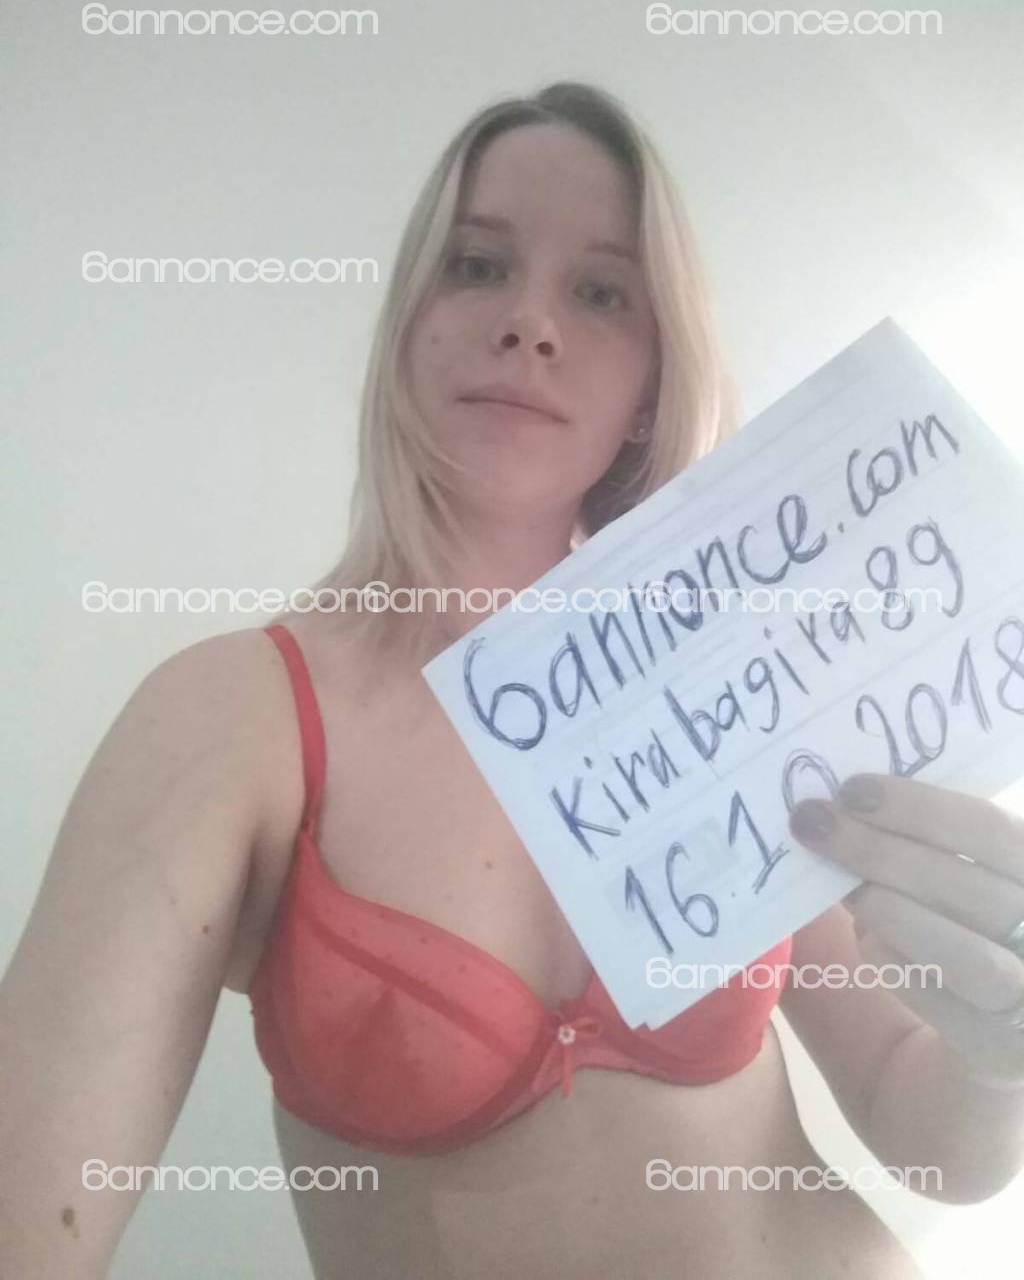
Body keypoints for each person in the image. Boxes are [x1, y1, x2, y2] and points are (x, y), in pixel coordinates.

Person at [3, 81, 1024, 1280]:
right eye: (478, 266)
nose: (531, 323)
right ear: (406, 325)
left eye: (600, 292)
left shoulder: (741, 680)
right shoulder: (234, 718)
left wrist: (999, 1058)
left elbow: (919, 1121)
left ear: (649, 382)